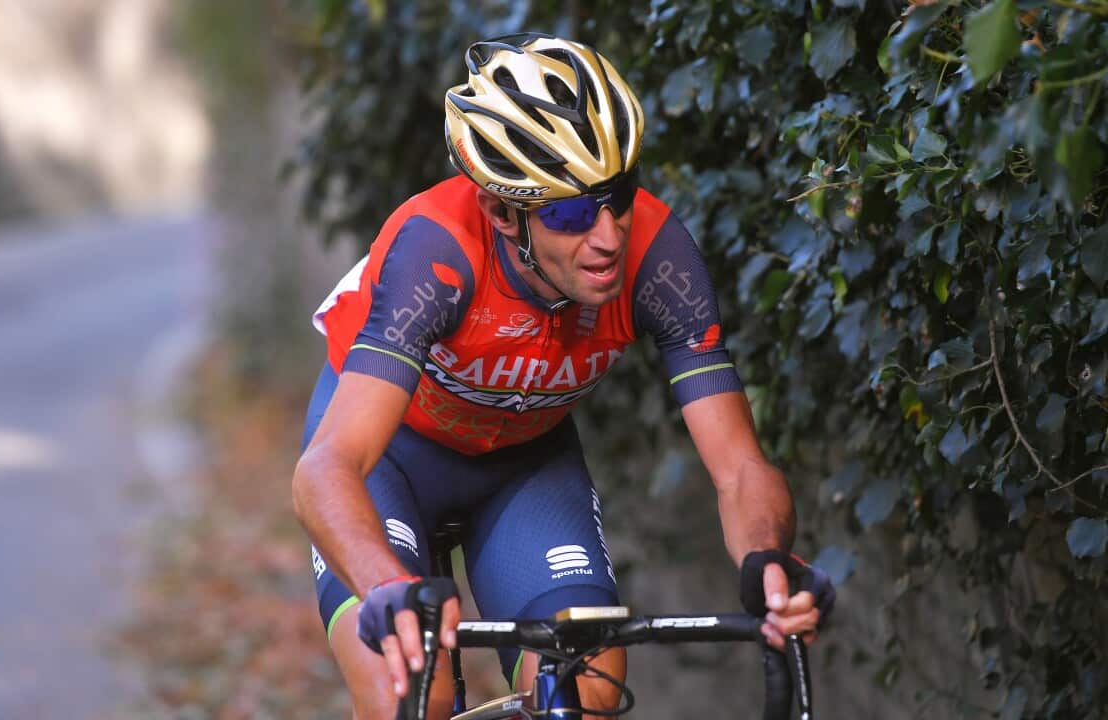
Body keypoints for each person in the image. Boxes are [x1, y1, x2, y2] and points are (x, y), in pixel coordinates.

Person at [292, 32, 834, 719]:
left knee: (589, 689)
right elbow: (326, 468)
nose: (607, 235)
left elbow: (739, 468)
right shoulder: (437, 253)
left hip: (522, 469)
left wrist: (767, 559)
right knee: (410, 688)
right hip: (391, 461)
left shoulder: (659, 259)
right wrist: (381, 586)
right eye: (570, 212)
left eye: (618, 194)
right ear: (501, 211)